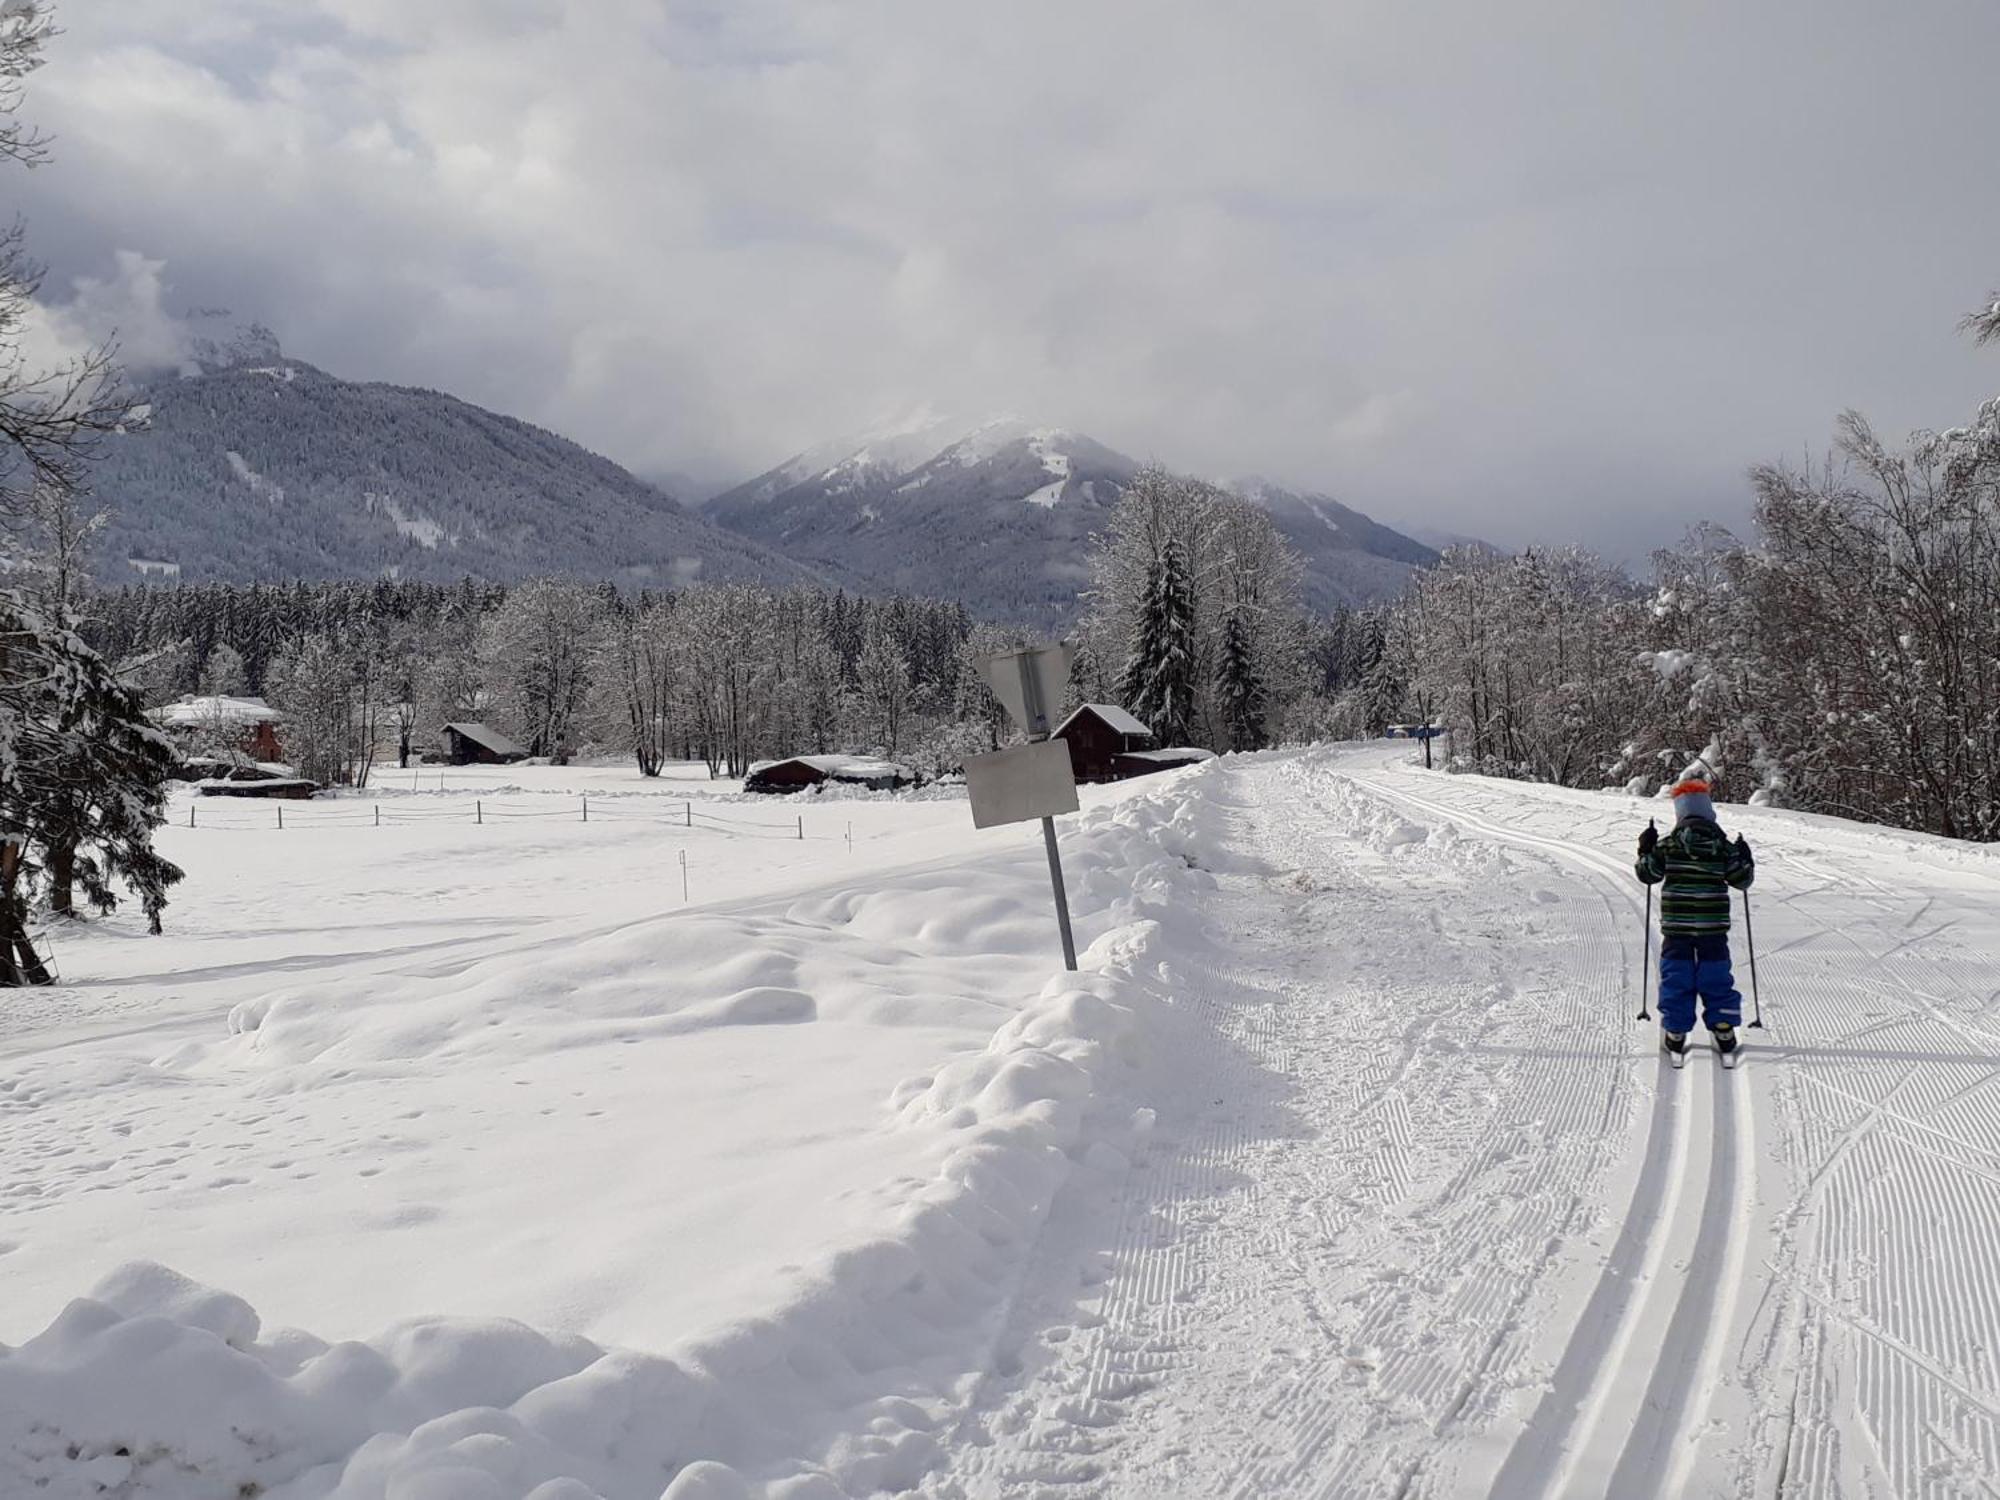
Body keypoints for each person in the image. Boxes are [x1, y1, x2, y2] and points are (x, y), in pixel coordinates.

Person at [1636, 776, 1755, 1058]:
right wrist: (1745, 859)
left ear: (1680, 814)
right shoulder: (1723, 847)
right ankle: (1724, 1026)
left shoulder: (1668, 845)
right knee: (1716, 975)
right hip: (1712, 928)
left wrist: (1645, 850)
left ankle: (1676, 1030)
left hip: (1677, 927)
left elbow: (1647, 874)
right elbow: (1742, 881)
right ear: (1708, 812)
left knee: (1677, 975)